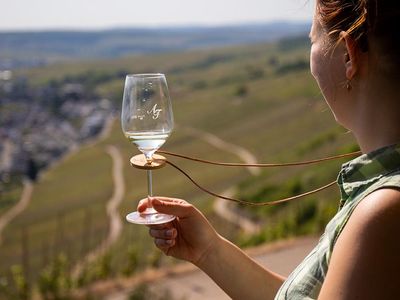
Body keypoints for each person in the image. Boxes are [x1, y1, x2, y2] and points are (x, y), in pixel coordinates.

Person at [138, 0, 400, 298]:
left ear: (347, 56)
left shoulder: (383, 215)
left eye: (314, 39)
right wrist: (209, 250)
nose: (310, 55)